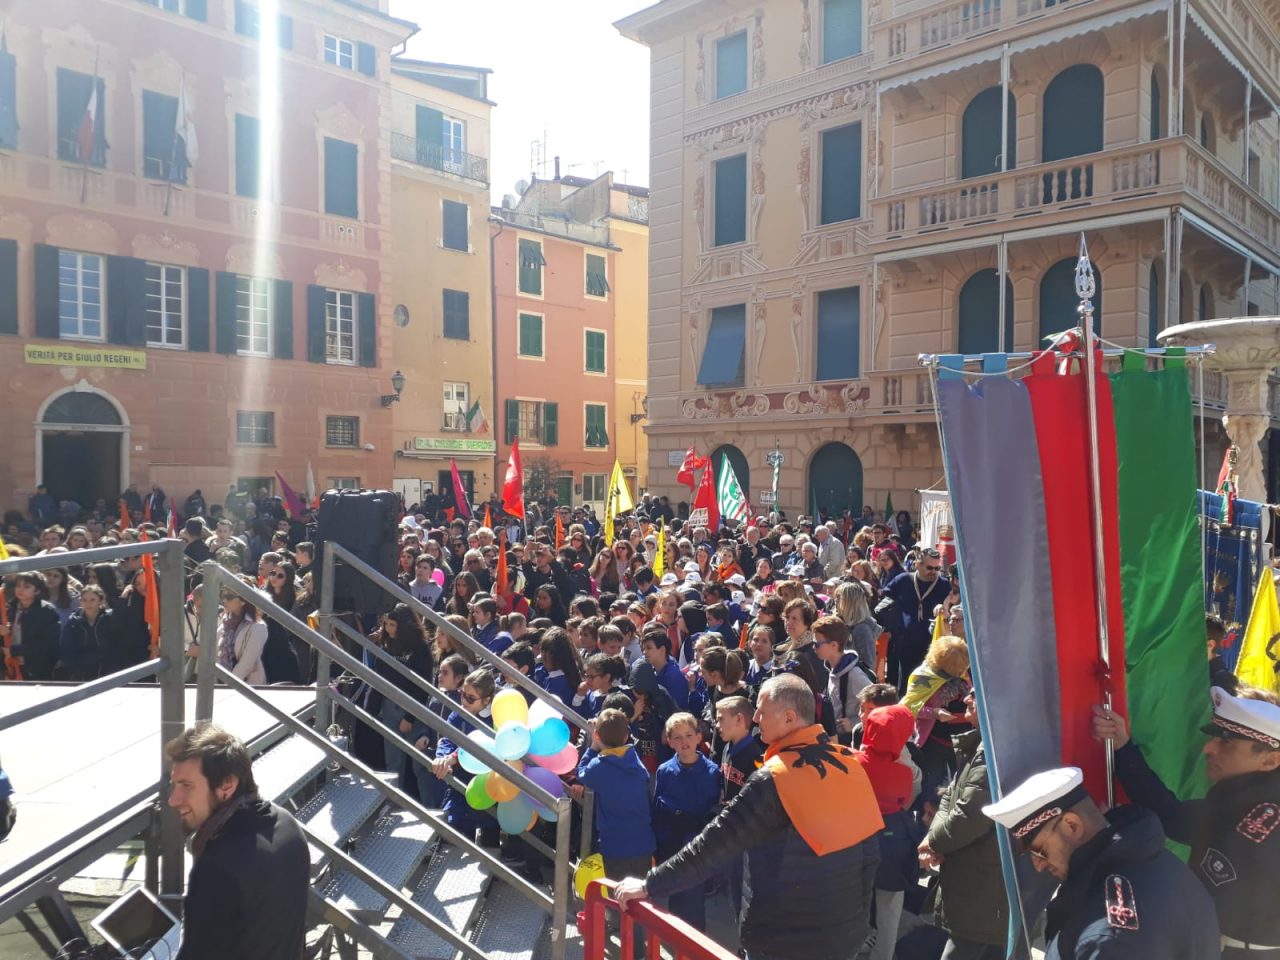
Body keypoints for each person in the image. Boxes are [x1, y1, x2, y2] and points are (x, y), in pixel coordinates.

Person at [614, 674, 884, 960]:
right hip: (844, 937)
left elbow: (716, 842)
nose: (754, 717)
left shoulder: (775, 778)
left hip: (782, 942)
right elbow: (871, 856)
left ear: (790, 717)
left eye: (762, 711)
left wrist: (649, 884)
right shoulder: (850, 764)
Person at [1094, 687, 1280, 959]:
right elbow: (1175, 817)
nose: (1208, 748)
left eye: (1226, 743)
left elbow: (1177, 823)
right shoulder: (1243, 797)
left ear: (1269, 760)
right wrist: (1123, 747)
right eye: (1214, 738)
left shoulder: (1257, 819)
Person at [983, 766, 1220, 960]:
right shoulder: (1162, 862)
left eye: (1039, 850)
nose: (1038, 865)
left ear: (1072, 825)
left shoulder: (1109, 936)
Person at [166, 723, 308, 960]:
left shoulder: (219, 866)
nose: (173, 800)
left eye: (186, 786)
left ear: (227, 786)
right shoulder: (287, 825)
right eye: (174, 784)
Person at [918, 691, 1006, 960]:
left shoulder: (993, 751)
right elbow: (950, 798)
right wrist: (933, 837)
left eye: (975, 695)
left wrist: (933, 842)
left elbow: (968, 816)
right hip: (976, 878)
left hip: (983, 882)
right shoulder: (981, 743)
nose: (966, 700)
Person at [853, 705, 918, 960]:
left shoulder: (852, 762)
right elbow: (908, 801)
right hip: (892, 845)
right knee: (889, 909)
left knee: (854, 903)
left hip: (856, 840)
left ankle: (856, 944)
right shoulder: (905, 773)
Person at [651, 712, 721, 931]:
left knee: (693, 901)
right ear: (670, 742)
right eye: (678, 737)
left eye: (689, 735)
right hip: (670, 843)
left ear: (699, 737)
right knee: (674, 897)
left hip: (697, 845)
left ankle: (694, 942)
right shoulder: (664, 771)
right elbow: (656, 808)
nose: (684, 742)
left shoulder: (712, 772)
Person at [574, 707, 656, 883]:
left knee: (618, 897)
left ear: (597, 736)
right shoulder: (635, 760)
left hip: (615, 847)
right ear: (626, 737)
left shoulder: (598, 766)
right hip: (642, 844)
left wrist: (593, 748)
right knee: (640, 898)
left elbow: (581, 772)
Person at [883, 548, 950, 693]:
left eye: (937, 568)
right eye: (930, 567)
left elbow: (950, 609)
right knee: (904, 684)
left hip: (930, 644)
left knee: (926, 686)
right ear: (918, 565)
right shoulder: (903, 580)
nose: (934, 571)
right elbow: (885, 599)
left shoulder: (944, 585)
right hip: (904, 642)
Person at [813, 616, 876, 745]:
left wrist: (854, 723)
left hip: (850, 741)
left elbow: (878, 708)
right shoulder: (831, 668)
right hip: (835, 736)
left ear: (834, 645)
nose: (814, 648)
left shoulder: (855, 675)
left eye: (817, 644)